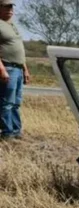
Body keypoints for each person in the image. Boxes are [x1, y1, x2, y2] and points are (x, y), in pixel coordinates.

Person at [0, 0, 30, 140]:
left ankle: (16, 131)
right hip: (7, 67)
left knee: (16, 102)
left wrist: (25, 69)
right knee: (7, 103)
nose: (10, 9)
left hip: (18, 68)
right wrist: (2, 70)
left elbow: (19, 49)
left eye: (11, 6)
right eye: (6, 6)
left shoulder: (12, 25)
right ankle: (7, 133)